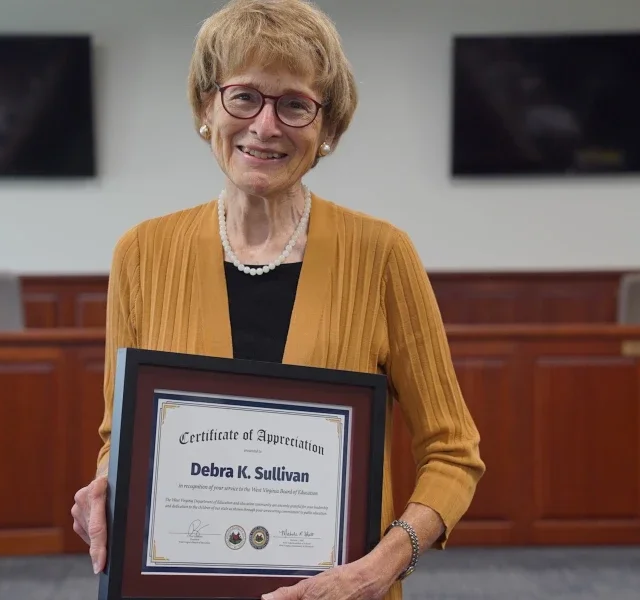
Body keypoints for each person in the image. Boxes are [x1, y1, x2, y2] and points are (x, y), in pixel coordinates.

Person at [71, 1, 485, 598]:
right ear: (205, 109)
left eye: (295, 105)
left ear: (327, 131)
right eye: (243, 97)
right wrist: (107, 483)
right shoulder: (142, 253)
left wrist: (381, 567)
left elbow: (454, 454)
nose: (265, 126)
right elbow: (124, 433)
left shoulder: (383, 255)